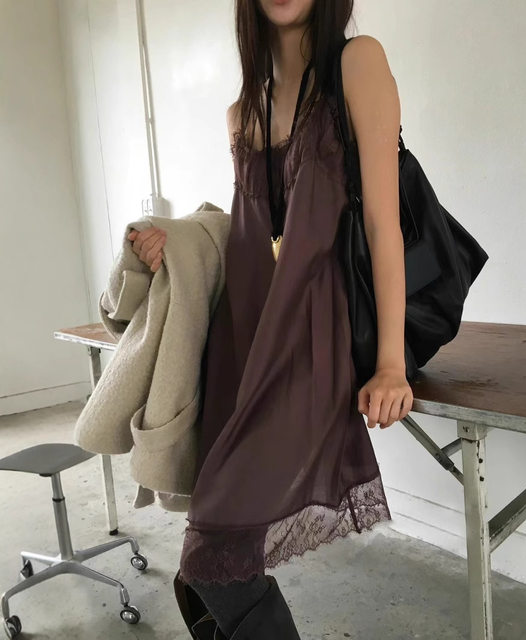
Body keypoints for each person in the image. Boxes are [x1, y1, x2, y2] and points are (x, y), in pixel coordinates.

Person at [129, 0, 413, 637]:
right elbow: (252, 237)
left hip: (313, 340)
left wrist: (391, 363)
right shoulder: (242, 112)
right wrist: (178, 243)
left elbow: (383, 223)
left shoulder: (357, 65)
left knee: (212, 559)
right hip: (247, 342)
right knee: (212, 562)